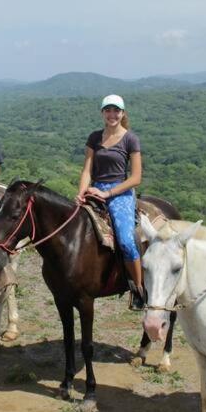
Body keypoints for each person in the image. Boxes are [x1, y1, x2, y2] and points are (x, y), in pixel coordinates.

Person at [76, 94, 144, 309]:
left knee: (125, 240)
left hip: (120, 191)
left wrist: (109, 193)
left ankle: (139, 289)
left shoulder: (130, 138)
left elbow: (135, 177)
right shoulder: (94, 137)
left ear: (122, 113)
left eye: (116, 111)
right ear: (102, 113)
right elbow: (87, 169)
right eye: (108, 110)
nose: (112, 114)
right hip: (94, 189)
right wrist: (81, 192)